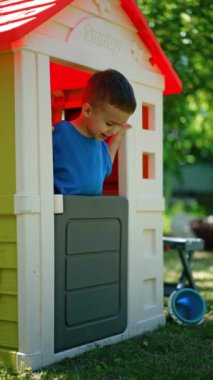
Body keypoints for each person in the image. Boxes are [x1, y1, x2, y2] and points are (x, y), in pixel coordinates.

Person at [53, 69, 136, 195]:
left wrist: (117, 138)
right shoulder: (63, 132)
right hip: (64, 209)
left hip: (93, 211)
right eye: (109, 124)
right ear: (87, 111)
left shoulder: (101, 145)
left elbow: (107, 167)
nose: (113, 130)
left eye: (119, 125)